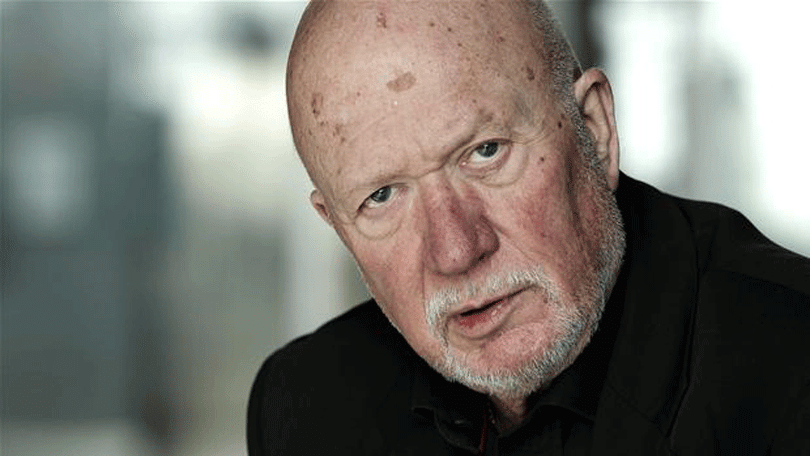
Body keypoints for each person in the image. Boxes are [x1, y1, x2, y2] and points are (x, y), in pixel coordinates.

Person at [247, 0, 810, 454]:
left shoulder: (792, 363)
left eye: (485, 152)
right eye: (382, 196)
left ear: (594, 129)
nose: (456, 250)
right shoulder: (306, 409)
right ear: (337, 225)